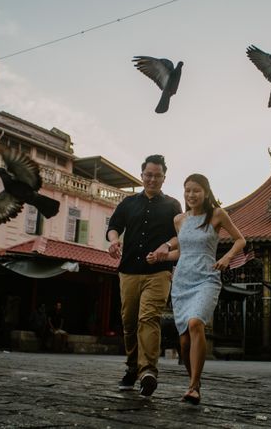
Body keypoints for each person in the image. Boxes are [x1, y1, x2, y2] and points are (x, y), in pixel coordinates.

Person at [150, 173, 245, 405]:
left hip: (206, 278)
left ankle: (193, 387)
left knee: (195, 323)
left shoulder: (217, 214)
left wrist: (227, 258)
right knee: (183, 342)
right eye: (187, 190)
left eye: (196, 190)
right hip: (182, 280)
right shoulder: (179, 220)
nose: (191, 195)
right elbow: (182, 252)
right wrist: (160, 256)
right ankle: (194, 381)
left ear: (206, 192)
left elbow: (240, 240)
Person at [107, 154, 182, 397]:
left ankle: (148, 371)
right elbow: (113, 226)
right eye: (148, 175)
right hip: (128, 271)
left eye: (157, 176)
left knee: (148, 318)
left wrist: (166, 247)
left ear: (164, 177)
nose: (152, 179)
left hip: (158, 272)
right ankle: (132, 368)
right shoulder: (128, 203)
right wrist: (115, 240)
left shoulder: (172, 205)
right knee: (129, 323)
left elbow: (180, 235)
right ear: (142, 176)